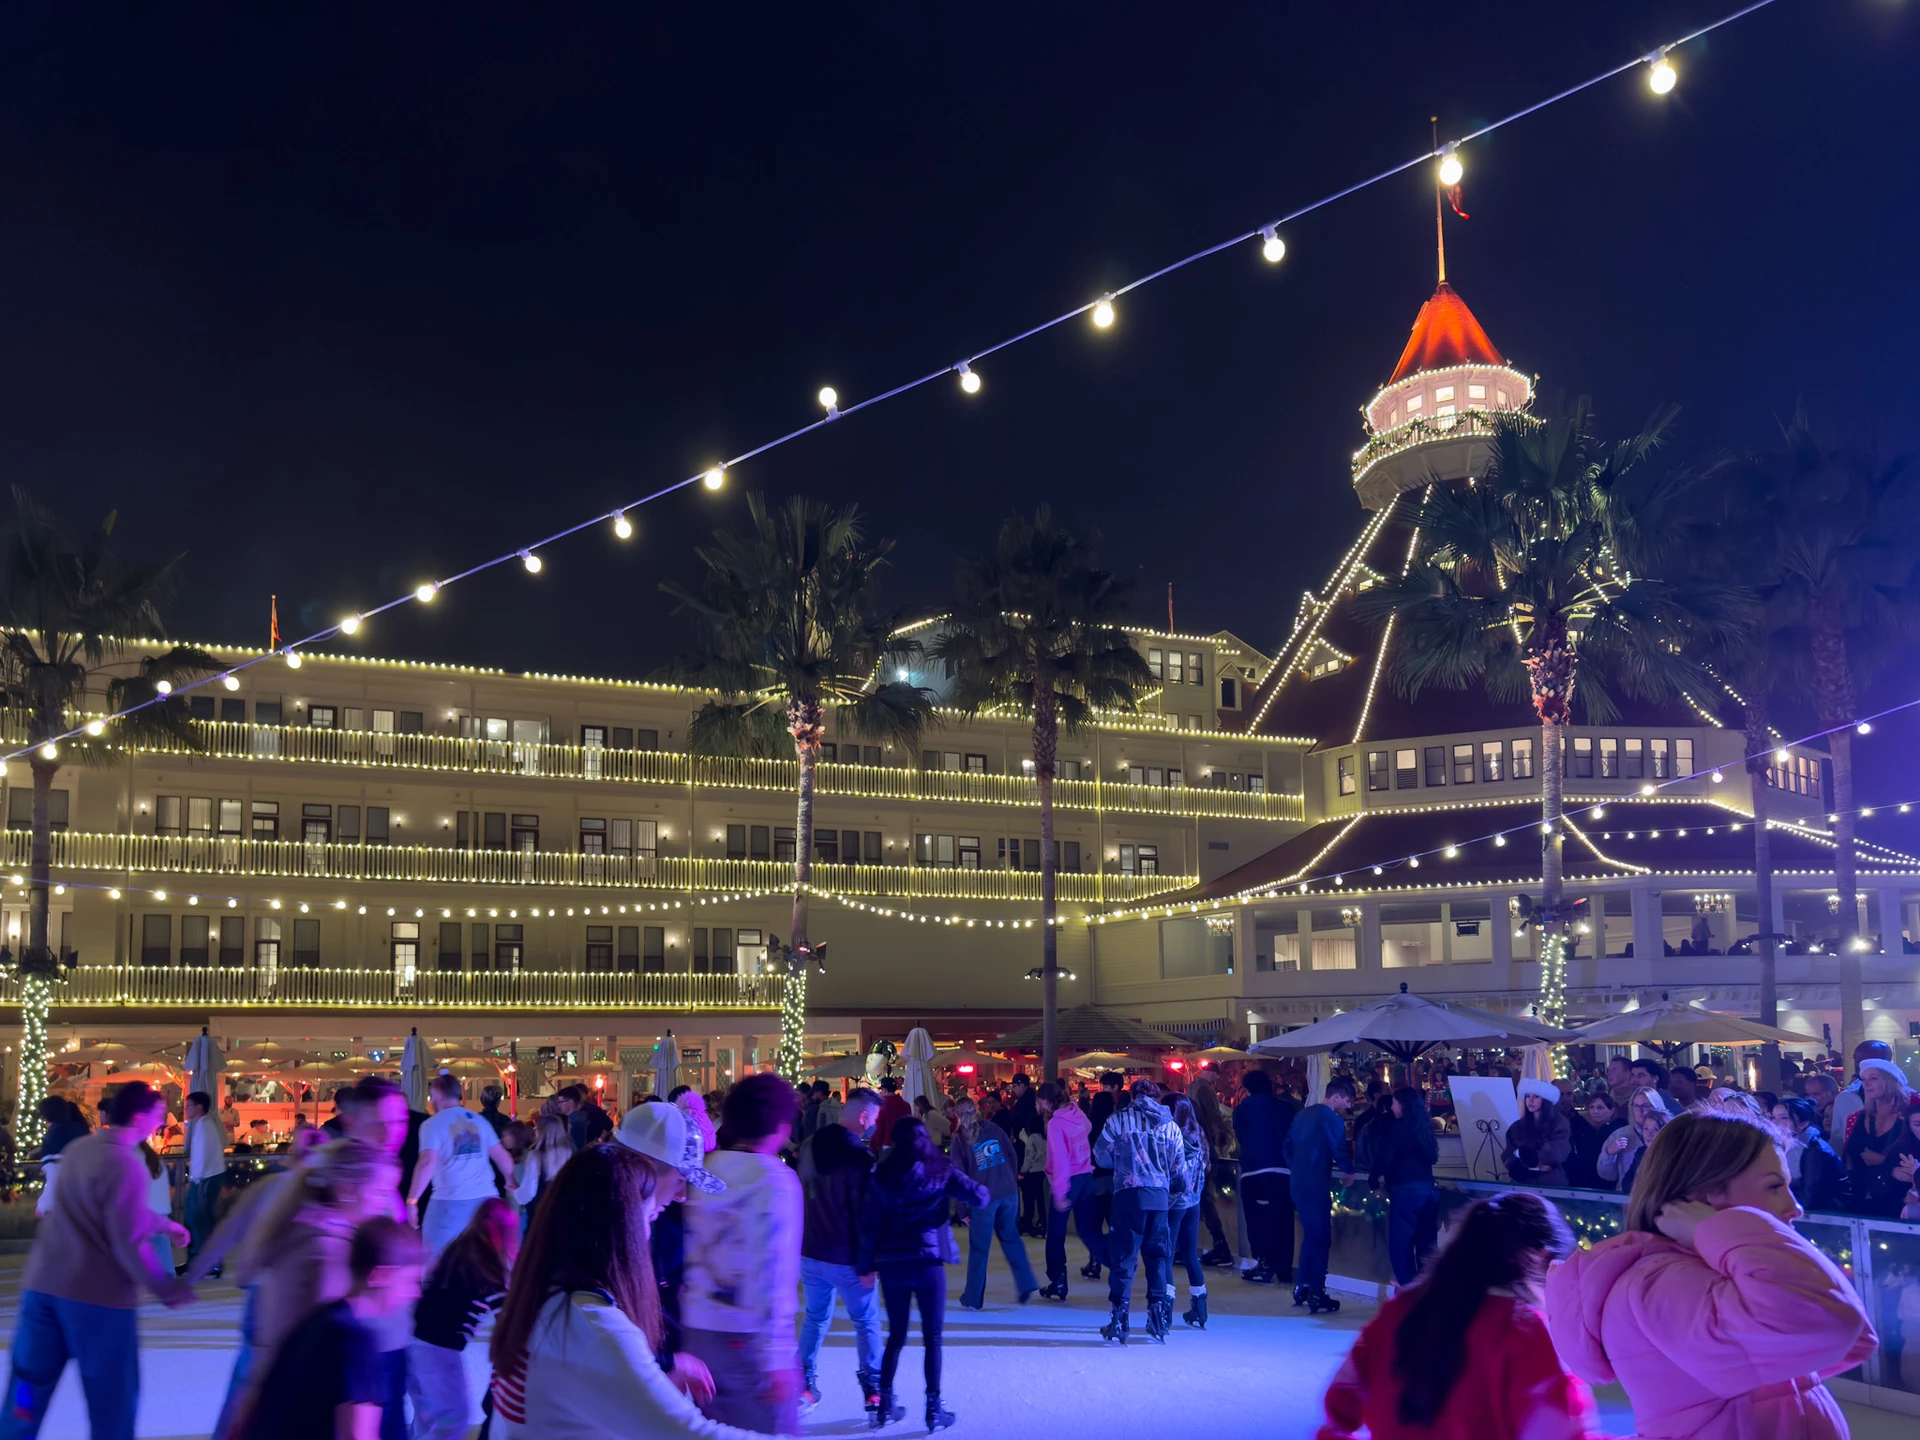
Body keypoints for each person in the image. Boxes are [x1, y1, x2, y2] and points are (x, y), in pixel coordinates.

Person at [1546, 1108, 1877, 1440]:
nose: (1796, 1207)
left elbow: (1855, 1338)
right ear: (1702, 1196)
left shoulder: (1722, 1266)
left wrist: (1726, 1239)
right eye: (1774, 1187)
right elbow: (1830, 1322)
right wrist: (1719, 1228)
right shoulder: (1658, 1284)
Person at [490, 1121, 755, 1439]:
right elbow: (690, 1434)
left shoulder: (545, 1290)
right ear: (621, 1223)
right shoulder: (593, 1325)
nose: (682, 1196)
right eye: (647, 1216)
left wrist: (652, 1380)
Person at [1320, 1191, 1602, 1440]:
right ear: (1542, 1256)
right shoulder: (1524, 1333)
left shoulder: (1398, 1313)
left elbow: (1341, 1401)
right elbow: (1560, 1430)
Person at [1, 1081, 191, 1440]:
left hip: (42, 1289)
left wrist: (165, 1225)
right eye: (157, 1114)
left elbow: (107, 1209)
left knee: (27, 1389)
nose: (161, 1121)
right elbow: (128, 1239)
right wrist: (164, 1287)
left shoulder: (79, 1151)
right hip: (96, 1299)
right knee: (112, 1402)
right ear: (139, 1117)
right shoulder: (126, 1163)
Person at [230, 1139, 397, 1431]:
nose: (384, 1204)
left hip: (279, 1393)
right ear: (346, 1190)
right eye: (380, 1192)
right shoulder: (326, 1252)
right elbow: (325, 1342)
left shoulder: (306, 1231)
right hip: (301, 1405)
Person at [681, 1072, 804, 1436]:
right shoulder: (775, 1180)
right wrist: (778, 1354)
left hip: (698, 1329)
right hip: (748, 1336)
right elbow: (774, 1270)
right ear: (779, 1123)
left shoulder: (705, 1169)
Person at [855, 1116, 987, 1433]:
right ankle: (933, 1408)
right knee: (933, 1337)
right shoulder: (939, 1170)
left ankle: (885, 1405)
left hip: (892, 1264)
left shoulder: (882, 1174)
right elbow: (980, 1196)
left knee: (896, 1335)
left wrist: (864, 1265)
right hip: (928, 1264)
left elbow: (868, 1224)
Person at [239, 1218, 426, 1440]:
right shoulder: (357, 1342)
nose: (416, 1293)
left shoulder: (319, 1318)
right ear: (379, 1276)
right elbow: (357, 1435)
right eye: (409, 1281)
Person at [798, 1087, 885, 1418]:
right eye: (874, 1119)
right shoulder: (859, 1158)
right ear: (863, 1117)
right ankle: (873, 1389)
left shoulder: (809, 1147)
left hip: (811, 1250)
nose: (875, 1125)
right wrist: (869, 1261)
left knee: (816, 1317)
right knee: (865, 1320)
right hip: (846, 1256)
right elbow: (865, 1214)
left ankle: (804, 1381)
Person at [407, 1197, 519, 1440]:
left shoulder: (459, 1248)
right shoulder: (489, 1267)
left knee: (426, 1423)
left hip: (414, 1341)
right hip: (438, 1350)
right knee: (455, 1421)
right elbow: (508, 1317)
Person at [1092, 1078, 1183, 1344]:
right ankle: (1157, 1315)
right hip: (1159, 1198)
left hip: (1128, 1196)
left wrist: (1123, 1159)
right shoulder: (1170, 1124)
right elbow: (1178, 1167)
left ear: (1132, 1095)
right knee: (1157, 1256)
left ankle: (1120, 1317)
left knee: (1124, 1256)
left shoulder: (1118, 1120)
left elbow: (1100, 1155)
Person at [407, 1074, 515, 1255]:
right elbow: (501, 1156)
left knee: (433, 1254)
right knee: (486, 1254)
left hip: (450, 1200)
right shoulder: (478, 1121)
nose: (431, 1101)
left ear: (439, 1094)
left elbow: (427, 1162)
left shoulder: (432, 1124)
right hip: (486, 1199)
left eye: (431, 1096)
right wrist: (511, 1180)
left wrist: (412, 1200)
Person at [949, 1098, 1037, 1308]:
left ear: (957, 1115)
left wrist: (962, 1210)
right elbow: (1012, 1154)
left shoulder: (959, 1139)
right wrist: (1010, 1180)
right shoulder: (993, 1128)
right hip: (1008, 1192)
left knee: (980, 1247)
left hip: (983, 1197)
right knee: (1011, 1238)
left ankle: (973, 1297)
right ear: (976, 1110)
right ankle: (1026, 1283)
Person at [1286, 1076, 1355, 1315]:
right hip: (1316, 1184)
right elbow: (1339, 1147)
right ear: (1335, 1097)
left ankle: (1303, 1286)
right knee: (1321, 1238)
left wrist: (1297, 1168)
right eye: (1347, 1101)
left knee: (1310, 1235)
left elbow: (1287, 1146)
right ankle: (1317, 1291)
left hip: (1298, 1183)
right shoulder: (1332, 1119)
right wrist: (1347, 1171)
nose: (1348, 1106)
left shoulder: (1302, 1115)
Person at [1370, 1087, 1439, 1287]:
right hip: (1429, 1190)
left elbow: (1385, 1157)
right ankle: (1427, 1287)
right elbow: (1432, 1158)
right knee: (1427, 1245)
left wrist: (1374, 1181)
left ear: (1403, 1105)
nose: (1391, 1107)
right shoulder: (1424, 1128)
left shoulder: (1397, 1128)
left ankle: (1408, 1290)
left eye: (1394, 1102)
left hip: (1407, 1190)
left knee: (1401, 1245)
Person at [1233, 1068, 1296, 1286]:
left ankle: (1264, 1264)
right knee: (1284, 1220)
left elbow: (1241, 1137)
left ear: (1247, 1088)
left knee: (1257, 1221)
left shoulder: (1241, 1111)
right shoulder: (1286, 1108)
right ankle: (1284, 1270)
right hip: (1283, 1172)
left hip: (1253, 1171)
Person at [1036, 1080, 1098, 1301]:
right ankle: (1114, 1262)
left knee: (1055, 1233)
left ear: (1045, 1101)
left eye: (1039, 1101)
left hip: (1069, 1180)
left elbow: (1061, 1161)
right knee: (1087, 1230)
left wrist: (1060, 1192)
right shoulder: (1076, 1112)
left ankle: (1058, 1280)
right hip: (1086, 1175)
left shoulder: (1055, 1124)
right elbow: (1088, 1127)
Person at [1839, 1057, 1916, 1216]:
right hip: (1861, 1200)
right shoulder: (1858, 1117)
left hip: (1898, 1202)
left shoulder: (1910, 1118)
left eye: (1873, 1078)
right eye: (1863, 1079)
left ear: (1890, 1081)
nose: (1866, 1084)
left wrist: (1883, 1161)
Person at [1165, 1094, 1211, 1329]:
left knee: (1166, 1255)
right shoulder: (1199, 1134)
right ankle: (1199, 1306)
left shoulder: (1171, 1136)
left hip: (1173, 1204)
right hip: (1193, 1202)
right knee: (1190, 1255)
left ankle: (1165, 1308)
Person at [1187, 1077, 1235, 1266]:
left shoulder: (1189, 1122)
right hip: (1204, 1162)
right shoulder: (1196, 1123)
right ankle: (1218, 1246)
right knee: (1204, 1201)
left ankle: (1219, 1247)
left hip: (1198, 1166)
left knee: (1203, 1201)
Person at [1081, 1071, 1124, 1279]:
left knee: (1094, 1223)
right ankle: (1118, 1261)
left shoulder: (1090, 1125)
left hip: (1096, 1177)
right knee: (1114, 1222)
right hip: (1116, 1178)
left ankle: (1095, 1261)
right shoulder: (1118, 1122)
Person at [183, 1090, 229, 1270]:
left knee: (198, 1218)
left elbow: (202, 1156)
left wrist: (196, 1179)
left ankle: (204, 1260)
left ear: (200, 1107)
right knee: (200, 1219)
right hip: (206, 1177)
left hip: (204, 1178)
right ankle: (205, 1259)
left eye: (189, 1106)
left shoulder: (204, 1126)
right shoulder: (203, 1125)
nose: (186, 1109)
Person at [1773, 1096, 1843, 1213]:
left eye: (1784, 1117)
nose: (1775, 1123)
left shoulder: (1816, 1151)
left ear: (1803, 1123)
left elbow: (1810, 1198)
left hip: (1823, 1215)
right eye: (1773, 1117)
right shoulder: (1780, 1146)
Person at [1503, 1079, 1572, 1187]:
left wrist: (1531, 1158)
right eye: (1528, 1096)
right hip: (1523, 1182)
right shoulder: (1517, 1127)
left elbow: (1558, 1151)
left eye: (1536, 1096)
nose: (1530, 1100)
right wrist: (1520, 1165)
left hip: (1550, 1183)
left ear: (1545, 1099)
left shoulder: (1559, 1124)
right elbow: (1508, 1154)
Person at [512, 1113, 573, 1229]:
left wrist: (515, 1191)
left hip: (541, 1215)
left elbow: (528, 1193)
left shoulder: (536, 1156)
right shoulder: (569, 1153)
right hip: (565, 1214)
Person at [1829, 1039, 1895, 1141]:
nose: (1859, 1066)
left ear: (1885, 1062)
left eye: (1866, 1060)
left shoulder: (1907, 1098)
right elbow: (1837, 1139)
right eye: (1856, 1060)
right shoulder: (1845, 1098)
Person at [1566, 1092, 1624, 1190]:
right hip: (1581, 1183)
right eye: (1591, 1107)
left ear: (1611, 1111)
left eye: (1600, 1107)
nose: (1595, 1111)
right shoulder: (1579, 1127)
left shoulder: (1618, 1131)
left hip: (1607, 1184)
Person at [1016, 1112, 1048, 1238]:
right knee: (1040, 1199)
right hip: (1042, 1171)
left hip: (1032, 1171)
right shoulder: (1044, 1138)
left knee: (1028, 1198)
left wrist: (1022, 1171)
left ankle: (1027, 1222)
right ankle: (1043, 1223)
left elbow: (1029, 1157)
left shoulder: (1032, 1138)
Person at [869, 1078, 910, 1157]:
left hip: (888, 1147)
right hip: (903, 1146)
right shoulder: (906, 1105)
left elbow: (879, 1129)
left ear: (884, 1089)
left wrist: (873, 1148)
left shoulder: (882, 1105)